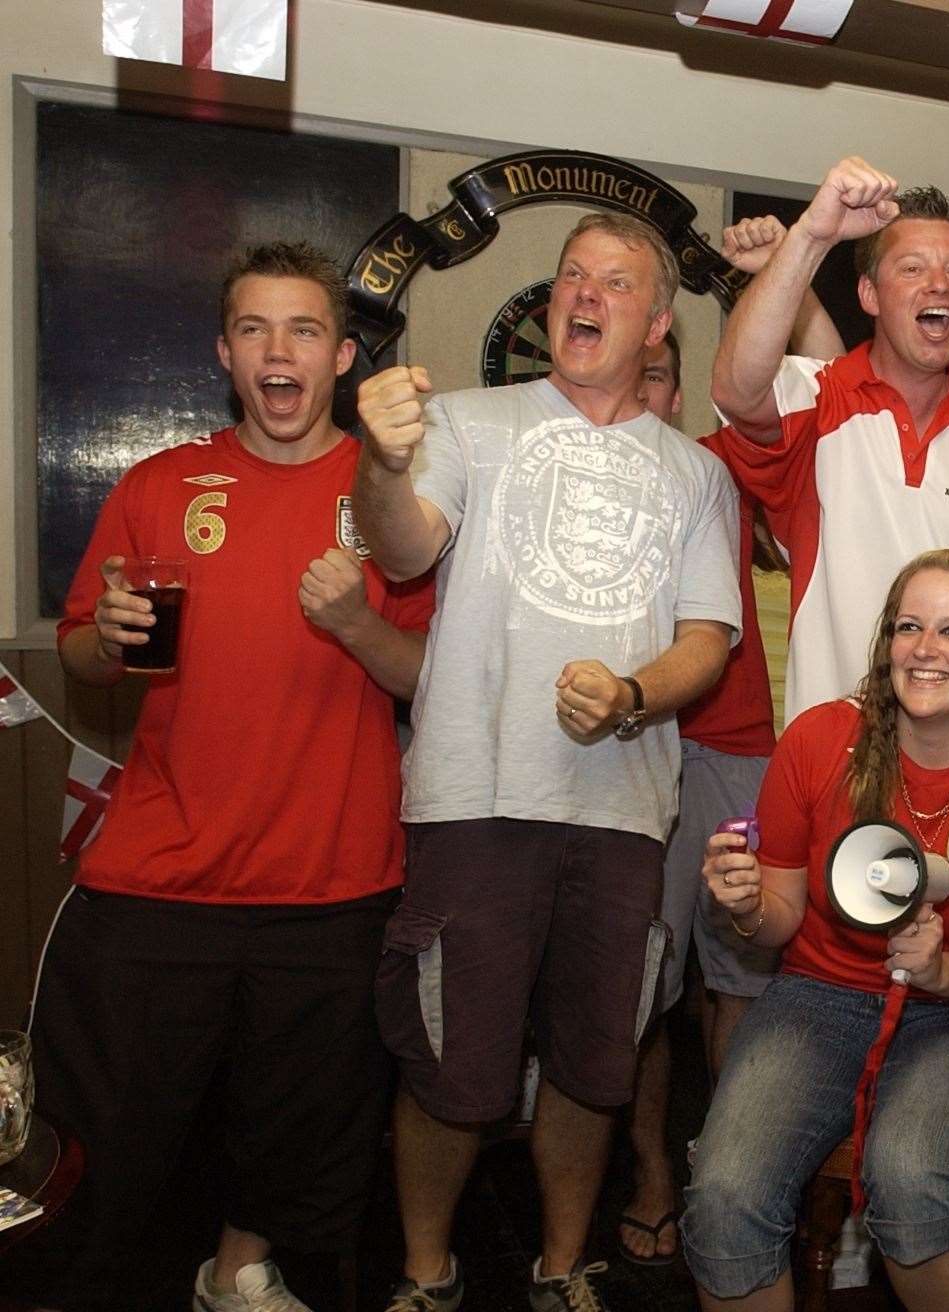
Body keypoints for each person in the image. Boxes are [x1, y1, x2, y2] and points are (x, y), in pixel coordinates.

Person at [21, 241, 432, 1312]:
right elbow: (76, 646)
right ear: (225, 352)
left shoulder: (397, 504)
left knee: (301, 1127)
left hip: (331, 881)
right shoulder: (159, 486)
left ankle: (241, 1271)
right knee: (113, 1126)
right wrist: (103, 639)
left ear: (341, 355)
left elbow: (430, 673)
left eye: (303, 329)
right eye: (255, 329)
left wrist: (353, 626)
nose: (278, 349)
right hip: (158, 874)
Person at [353, 212, 742, 1312]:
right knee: (451, 1062)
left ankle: (563, 1267)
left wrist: (629, 695)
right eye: (573, 274)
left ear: (655, 322)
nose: (585, 292)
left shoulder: (697, 475)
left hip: (622, 809)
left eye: (615, 281)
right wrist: (383, 461)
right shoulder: (468, 424)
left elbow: (707, 639)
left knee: (594, 1062)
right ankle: (426, 1274)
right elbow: (400, 544)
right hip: (474, 797)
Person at [681, 548, 949, 1312]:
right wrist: (745, 903)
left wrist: (944, 973)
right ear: (885, 644)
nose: (924, 648)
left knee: (911, 1172)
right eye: (907, 626)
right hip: (819, 996)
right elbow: (778, 918)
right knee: (722, 1192)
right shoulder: (819, 742)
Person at [617, 217, 843, 1271]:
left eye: (669, 377)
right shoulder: (616, 482)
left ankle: (731, 1172)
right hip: (657, 755)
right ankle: (656, 1170)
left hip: (776, 757)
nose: (655, 396)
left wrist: (786, 277)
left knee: (751, 987)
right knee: (648, 987)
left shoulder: (727, 457)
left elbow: (835, 388)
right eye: (644, 378)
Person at [711, 156, 949, 722]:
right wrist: (811, 235)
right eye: (912, 268)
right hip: (837, 761)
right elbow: (737, 387)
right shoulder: (820, 400)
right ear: (869, 294)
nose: (940, 285)